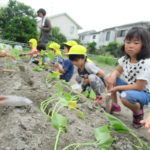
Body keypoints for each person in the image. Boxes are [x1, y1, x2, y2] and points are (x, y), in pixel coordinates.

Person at [105, 27, 150, 128]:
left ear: (144, 45)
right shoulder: (126, 59)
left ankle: (138, 113)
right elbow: (117, 71)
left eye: (136, 43)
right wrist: (113, 77)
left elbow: (139, 87)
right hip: (131, 88)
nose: (130, 46)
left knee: (125, 96)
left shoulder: (146, 63)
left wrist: (116, 88)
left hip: (145, 94)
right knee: (108, 76)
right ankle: (115, 105)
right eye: (128, 42)